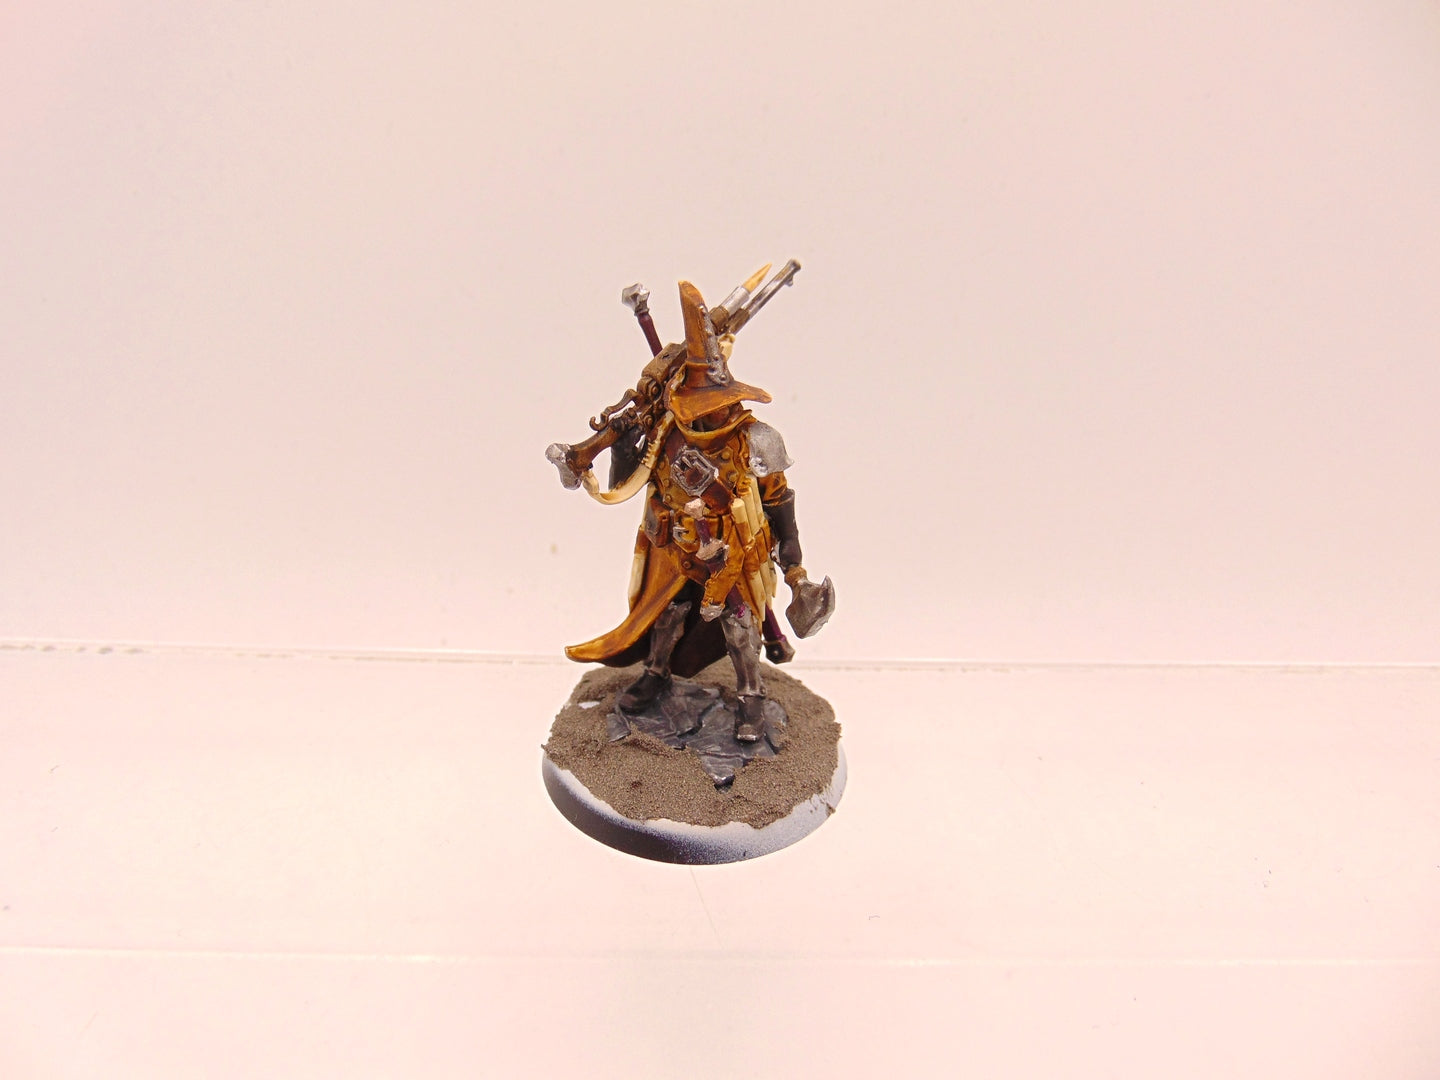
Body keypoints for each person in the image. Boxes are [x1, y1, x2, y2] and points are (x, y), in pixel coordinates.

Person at [556, 280, 826, 743]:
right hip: (674, 548)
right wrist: (621, 444)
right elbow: (626, 483)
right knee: (666, 616)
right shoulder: (666, 433)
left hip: (733, 550)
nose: (715, 413)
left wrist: (795, 570)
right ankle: (656, 673)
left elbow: (780, 503)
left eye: (720, 404)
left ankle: (751, 697)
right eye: (705, 406)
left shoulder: (756, 440)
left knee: (740, 626)